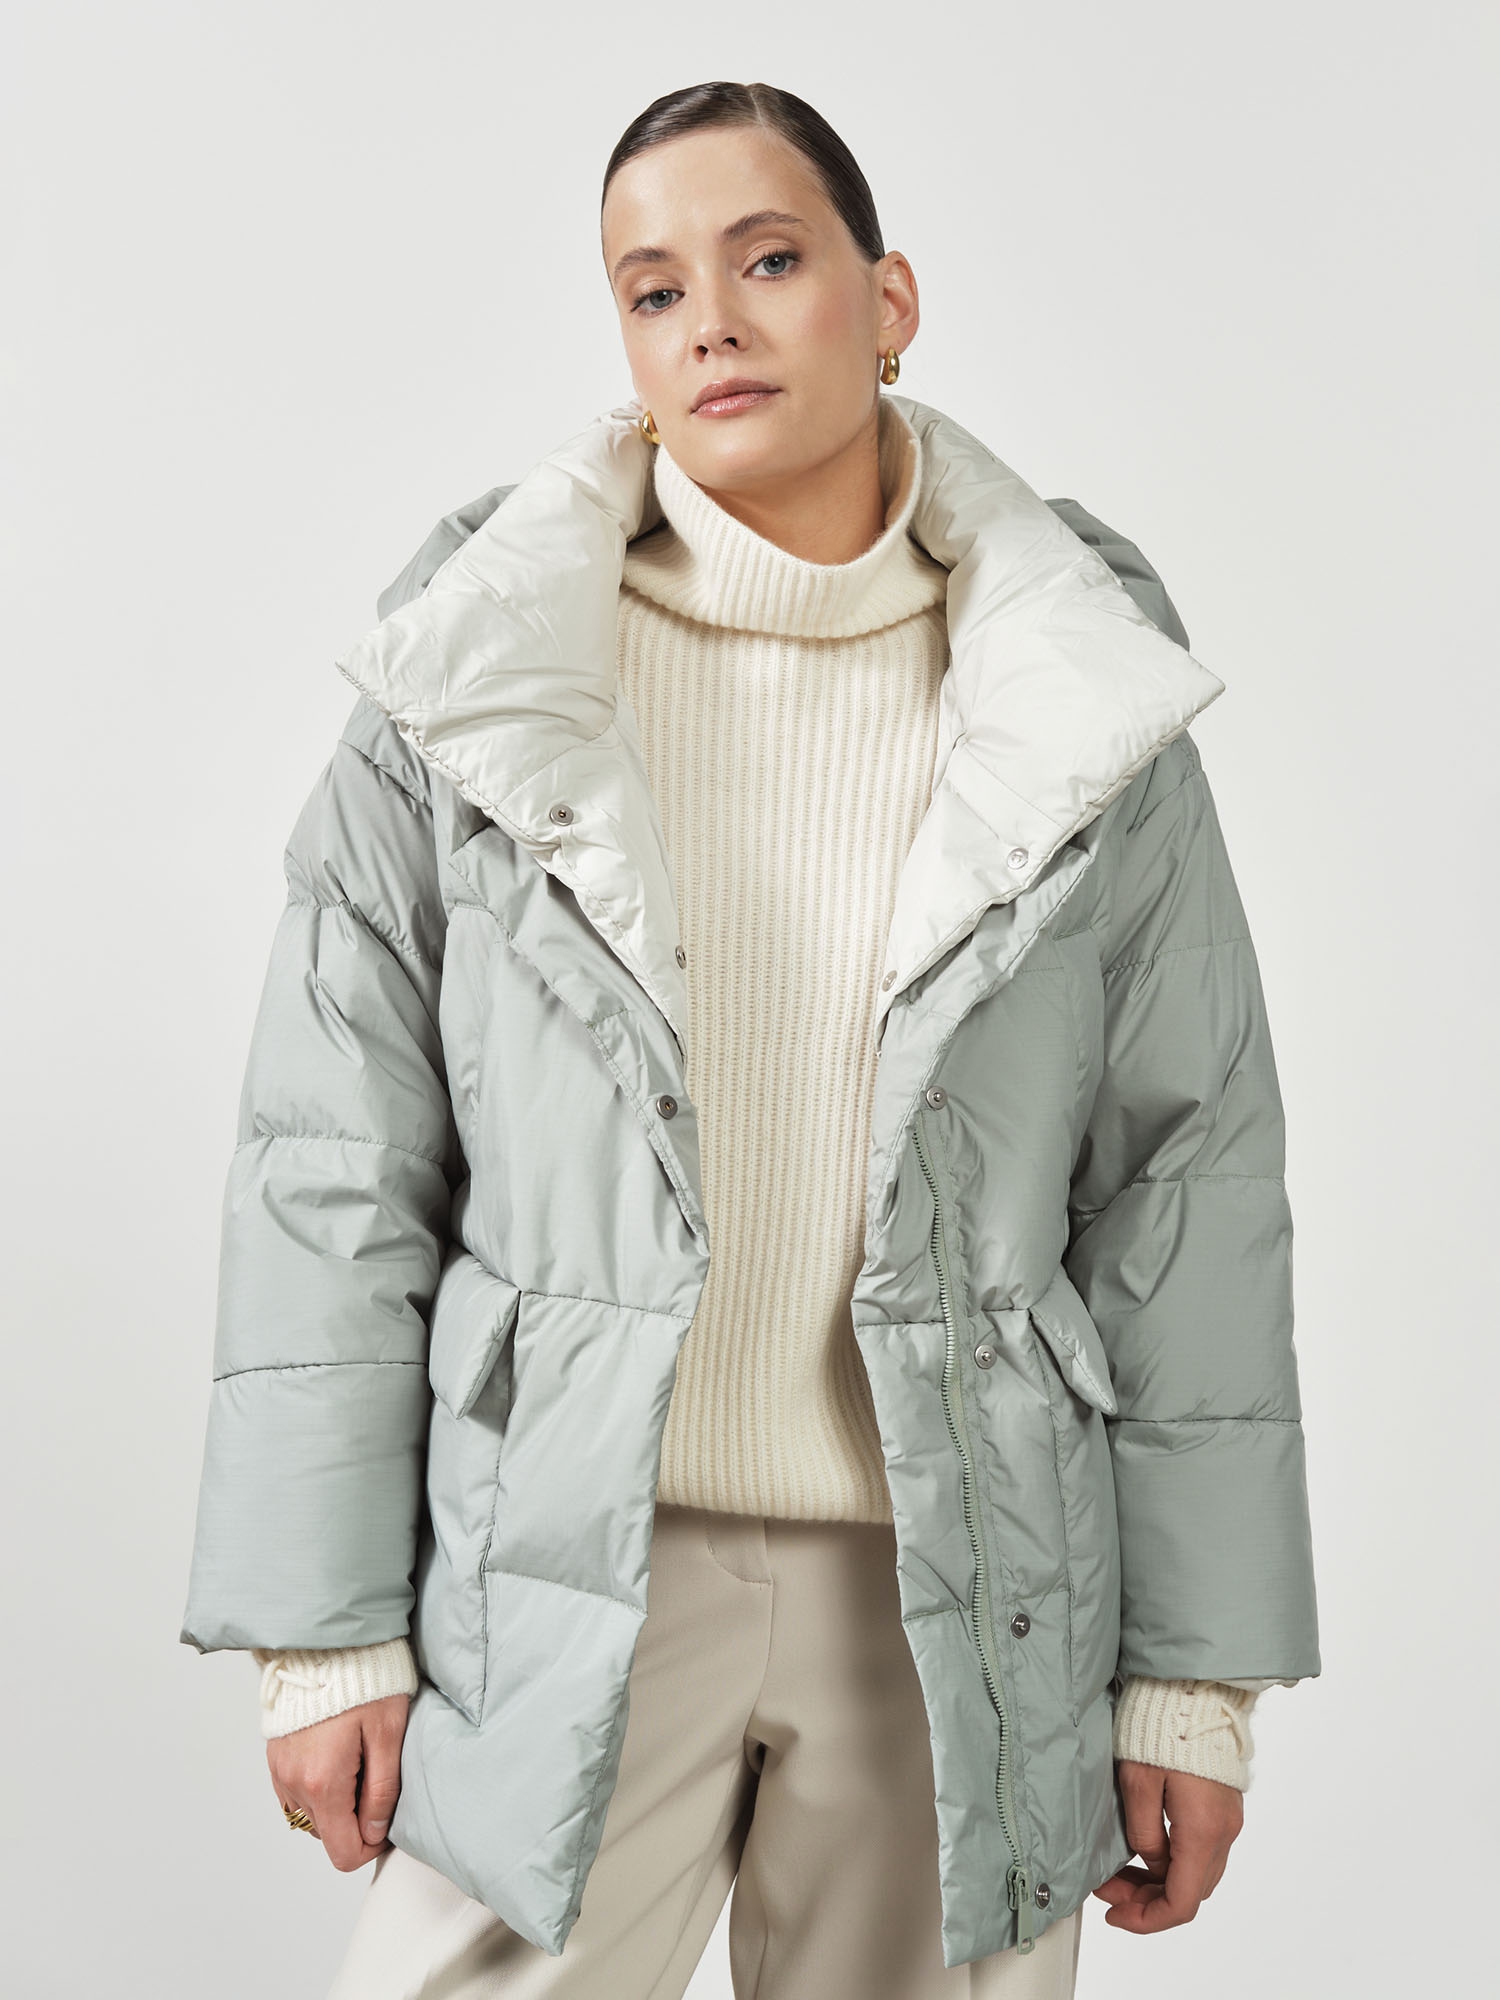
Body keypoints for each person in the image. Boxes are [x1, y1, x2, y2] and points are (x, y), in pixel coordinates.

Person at [180, 80, 1320, 2000]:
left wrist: (1195, 1683)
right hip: (568, 1559)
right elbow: (333, 1162)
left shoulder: (1071, 700)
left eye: (767, 260)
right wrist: (323, 1632)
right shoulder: (477, 685)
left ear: (890, 300)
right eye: (652, 289)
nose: (707, 319)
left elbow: (1185, 1183)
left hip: (960, 1580)